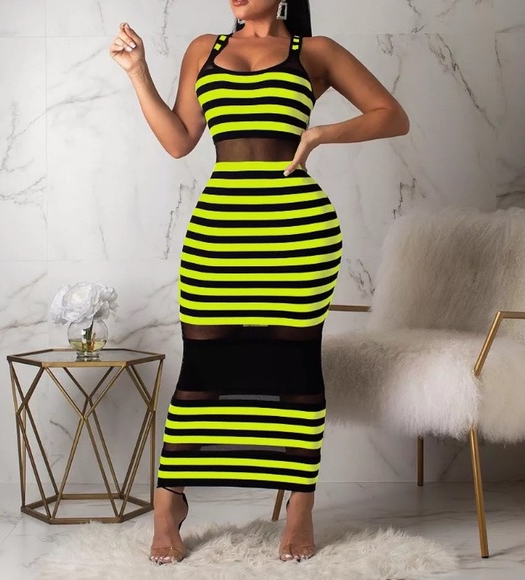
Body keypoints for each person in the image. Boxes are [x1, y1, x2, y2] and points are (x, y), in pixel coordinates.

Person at [110, 0, 409, 566]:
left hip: (297, 230)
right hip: (220, 228)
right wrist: (138, 72)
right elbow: (178, 141)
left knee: (297, 367)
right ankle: (169, 501)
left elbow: (391, 115)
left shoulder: (314, 52)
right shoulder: (206, 48)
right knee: (202, 366)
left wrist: (320, 134)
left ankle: (299, 506)